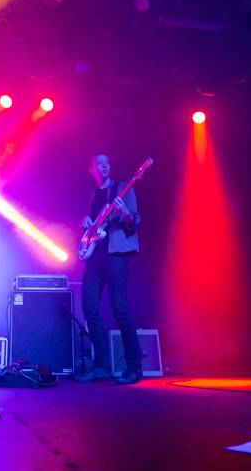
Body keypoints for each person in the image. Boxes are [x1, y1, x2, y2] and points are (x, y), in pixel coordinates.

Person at [77, 153, 143, 385]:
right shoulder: (94, 194)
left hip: (116, 254)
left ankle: (134, 367)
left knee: (120, 308)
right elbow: (94, 224)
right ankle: (102, 366)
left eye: (107, 163)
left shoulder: (123, 187)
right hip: (96, 256)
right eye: (99, 163)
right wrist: (87, 222)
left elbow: (133, 221)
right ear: (92, 169)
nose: (104, 166)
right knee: (89, 308)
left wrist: (124, 213)